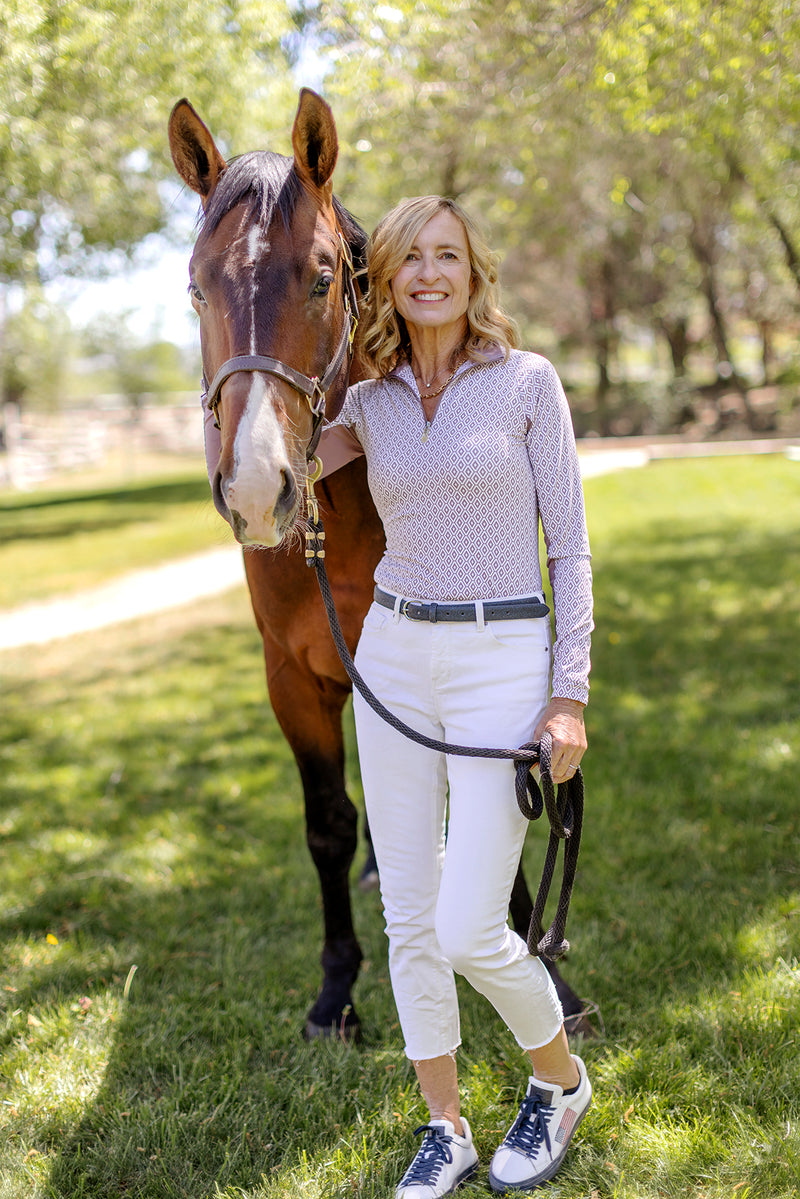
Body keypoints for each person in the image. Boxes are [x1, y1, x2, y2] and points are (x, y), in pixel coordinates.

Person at [316, 195, 594, 1197]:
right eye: (407, 260)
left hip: (501, 656)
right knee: (407, 914)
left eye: (446, 255)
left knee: (473, 924)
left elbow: (567, 543)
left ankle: (557, 1080)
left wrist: (567, 693)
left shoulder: (526, 382)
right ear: (381, 279)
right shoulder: (368, 401)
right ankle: (445, 1124)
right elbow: (273, 483)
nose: (427, 273)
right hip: (391, 654)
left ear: (473, 271)